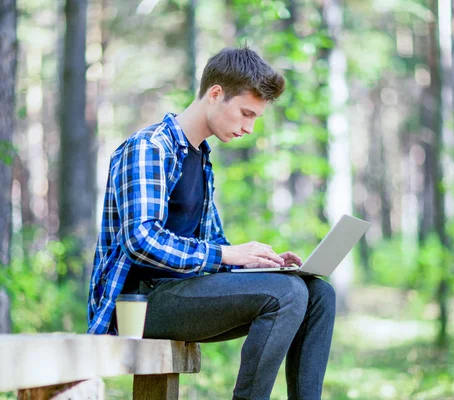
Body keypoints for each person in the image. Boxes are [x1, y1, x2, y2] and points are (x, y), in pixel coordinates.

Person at [87, 46, 336, 400]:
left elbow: (214, 243)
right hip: (137, 306)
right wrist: (228, 255)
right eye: (245, 113)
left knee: (318, 293)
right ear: (215, 94)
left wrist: (263, 264)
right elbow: (140, 240)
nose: (249, 128)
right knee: (287, 294)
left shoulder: (201, 159)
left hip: (182, 293)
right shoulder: (149, 147)